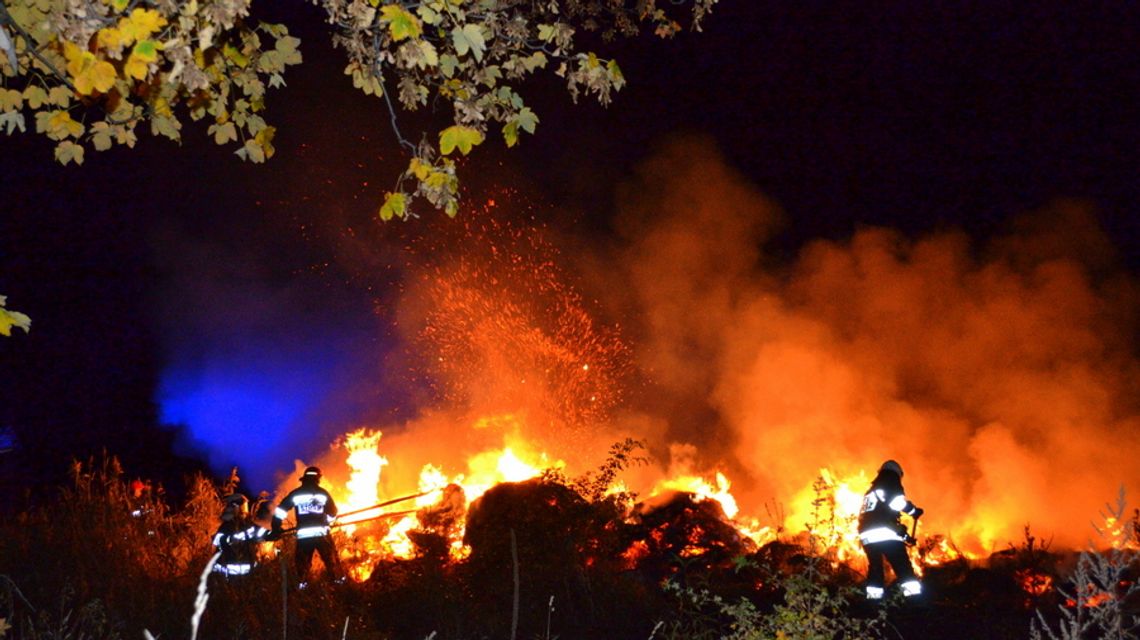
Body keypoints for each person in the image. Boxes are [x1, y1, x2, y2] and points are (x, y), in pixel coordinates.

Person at [857, 459, 924, 600]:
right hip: (885, 534)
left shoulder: (871, 491)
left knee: (875, 569)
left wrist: (906, 537)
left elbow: (879, 517)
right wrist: (913, 511)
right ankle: (915, 602)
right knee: (903, 568)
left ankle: (874, 603)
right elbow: (897, 503)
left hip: (867, 536)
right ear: (897, 473)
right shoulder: (890, 482)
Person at [271, 466, 341, 586]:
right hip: (322, 534)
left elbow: (281, 511)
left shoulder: (296, 494)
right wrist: (327, 521)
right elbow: (333, 512)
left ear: (304, 479)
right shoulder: (322, 494)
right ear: (318, 478)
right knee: (332, 562)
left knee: (302, 566)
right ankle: (339, 586)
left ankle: (302, 589)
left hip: (304, 536)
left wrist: (276, 528)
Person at [212, 493, 269, 578]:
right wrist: (231, 539)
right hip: (231, 573)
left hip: (241, 573)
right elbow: (219, 541)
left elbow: (260, 532)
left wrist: (273, 532)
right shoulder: (227, 526)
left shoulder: (245, 524)